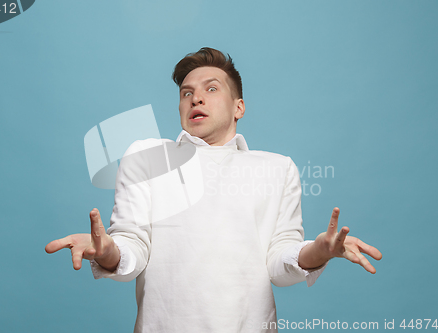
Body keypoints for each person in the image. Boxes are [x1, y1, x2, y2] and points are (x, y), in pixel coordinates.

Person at [45, 47, 382, 332]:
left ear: (239, 107)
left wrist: (318, 251)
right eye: (186, 93)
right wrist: (107, 252)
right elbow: (132, 249)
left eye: (211, 89)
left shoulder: (277, 168)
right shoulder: (146, 157)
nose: (196, 99)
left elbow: (279, 263)